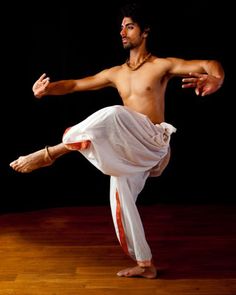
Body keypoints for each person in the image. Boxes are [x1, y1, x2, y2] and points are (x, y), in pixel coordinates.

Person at [9, 2, 224, 279]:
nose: (122, 32)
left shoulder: (162, 66)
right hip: (130, 149)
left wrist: (216, 79)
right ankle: (145, 264)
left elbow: (209, 64)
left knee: (113, 113)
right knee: (119, 199)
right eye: (121, 27)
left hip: (154, 142)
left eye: (129, 27)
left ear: (145, 32)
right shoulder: (116, 74)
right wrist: (48, 90)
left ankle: (52, 153)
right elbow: (75, 84)